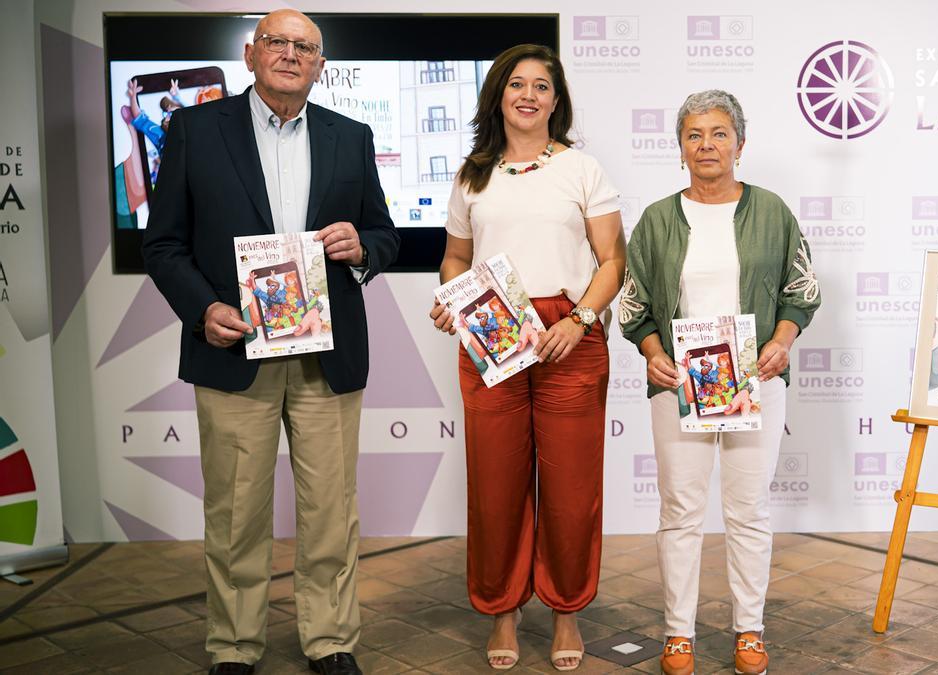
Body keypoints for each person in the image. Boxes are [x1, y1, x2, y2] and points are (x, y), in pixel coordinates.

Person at [141, 9, 400, 675]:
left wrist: (361, 247)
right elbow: (163, 242)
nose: (290, 53)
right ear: (252, 54)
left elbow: (384, 234)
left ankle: (331, 639)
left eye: (305, 46)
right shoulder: (195, 129)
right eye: (278, 42)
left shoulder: (351, 134)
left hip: (326, 352)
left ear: (321, 64)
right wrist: (203, 310)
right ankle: (233, 646)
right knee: (235, 516)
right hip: (232, 352)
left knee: (330, 512)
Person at [428, 44, 625, 671]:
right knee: (496, 483)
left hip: (569, 333)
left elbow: (612, 260)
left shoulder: (583, 170)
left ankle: (567, 613)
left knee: (570, 487)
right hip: (495, 333)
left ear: (556, 101)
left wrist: (583, 319)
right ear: (499, 95)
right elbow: (457, 258)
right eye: (518, 84)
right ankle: (503, 611)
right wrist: (451, 298)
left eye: (543, 86)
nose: (529, 95)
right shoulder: (472, 175)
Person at [619, 89, 821, 675]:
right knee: (681, 509)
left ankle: (749, 629)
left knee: (749, 509)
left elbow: (801, 290)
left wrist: (782, 342)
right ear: (679, 147)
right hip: (678, 382)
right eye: (693, 135)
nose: (706, 145)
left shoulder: (772, 210)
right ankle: (678, 633)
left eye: (718, 133)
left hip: (755, 378)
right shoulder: (658, 218)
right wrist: (653, 353)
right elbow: (634, 306)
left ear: (740, 142)